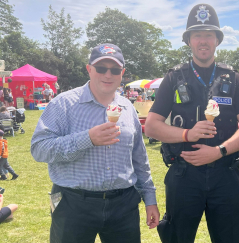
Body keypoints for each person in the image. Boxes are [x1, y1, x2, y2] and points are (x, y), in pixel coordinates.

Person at [145, 4, 239, 243]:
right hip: (184, 176)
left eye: (209, 34)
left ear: (217, 40)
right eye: (197, 35)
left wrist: (219, 151)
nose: (203, 41)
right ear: (188, 41)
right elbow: (152, 126)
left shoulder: (234, 78)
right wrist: (187, 134)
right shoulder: (174, 77)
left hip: (225, 173)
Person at [31, 43, 159, 243]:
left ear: (122, 73)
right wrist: (87, 139)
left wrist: (150, 200)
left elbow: (140, 159)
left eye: (114, 70)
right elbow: (39, 149)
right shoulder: (64, 103)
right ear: (89, 69)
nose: (108, 75)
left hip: (123, 205)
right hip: (74, 204)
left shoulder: (127, 107)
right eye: (101, 68)